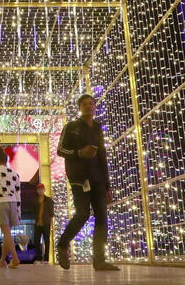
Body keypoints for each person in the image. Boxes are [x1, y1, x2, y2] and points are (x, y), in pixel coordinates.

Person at [55, 93, 119, 271]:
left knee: (102, 219)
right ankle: (62, 244)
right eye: (84, 104)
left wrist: (107, 186)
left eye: (91, 103)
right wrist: (79, 153)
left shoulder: (98, 128)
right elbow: (60, 150)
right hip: (79, 178)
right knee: (82, 214)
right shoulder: (71, 127)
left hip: (97, 179)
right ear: (79, 107)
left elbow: (102, 157)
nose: (89, 106)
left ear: (95, 107)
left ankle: (99, 261)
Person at [0, 146, 21, 269]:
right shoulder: (15, 173)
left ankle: (15, 258)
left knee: (6, 233)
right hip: (12, 203)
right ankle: (2, 260)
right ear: (6, 161)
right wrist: (19, 211)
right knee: (7, 234)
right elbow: (18, 193)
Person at [32, 183, 53, 264]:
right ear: (37, 190)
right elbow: (34, 211)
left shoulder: (49, 199)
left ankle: (46, 259)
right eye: (38, 189)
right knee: (36, 240)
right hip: (37, 223)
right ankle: (38, 258)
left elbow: (51, 212)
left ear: (44, 190)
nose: (40, 190)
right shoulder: (35, 200)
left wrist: (49, 221)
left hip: (46, 222)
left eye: (42, 189)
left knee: (46, 240)